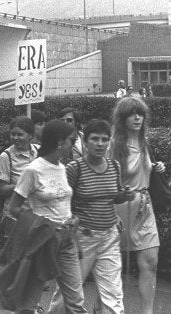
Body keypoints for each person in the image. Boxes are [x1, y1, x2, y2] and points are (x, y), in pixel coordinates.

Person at [49, 119, 131, 313]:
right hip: (81, 239)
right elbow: (62, 202)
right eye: (95, 139)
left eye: (105, 139)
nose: (100, 144)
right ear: (84, 142)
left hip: (109, 237)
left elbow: (114, 197)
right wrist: (72, 223)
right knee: (67, 296)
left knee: (113, 297)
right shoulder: (74, 169)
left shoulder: (114, 166)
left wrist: (124, 196)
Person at [5, 119, 87, 313]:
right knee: (28, 303)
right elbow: (13, 208)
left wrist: (73, 218)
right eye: (71, 140)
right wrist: (43, 224)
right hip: (41, 243)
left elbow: (62, 202)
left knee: (75, 301)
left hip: (66, 240)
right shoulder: (33, 170)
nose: (73, 144)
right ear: (59, 142)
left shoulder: (62, 167)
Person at [108, 97, 165, 314]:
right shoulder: (114, 145)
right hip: (120, 208)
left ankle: (147, 312)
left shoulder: (144, 141)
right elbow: (106, 180)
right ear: (122, 118)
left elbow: (142, 168)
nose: (137, 118)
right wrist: (113, 212)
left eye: (140, 113)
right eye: (132, 114)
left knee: (150, 261)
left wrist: (154, 166)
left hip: (144, 207)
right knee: (112, 265)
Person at [0, 116, 38, 235]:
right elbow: (2, 189)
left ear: (30, 135)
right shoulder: (6, 157)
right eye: (13, 134)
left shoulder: (39, 152)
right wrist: (23, 184)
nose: (15, 138)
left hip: (37, 216)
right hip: (14, 218)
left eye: (20, 134)